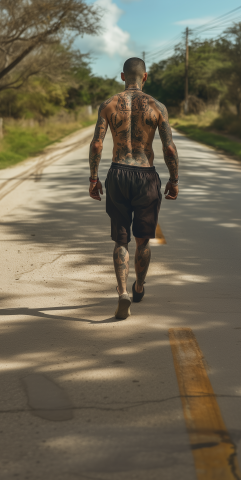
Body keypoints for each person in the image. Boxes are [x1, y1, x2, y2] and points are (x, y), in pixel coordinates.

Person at [88, 57, 179, 320]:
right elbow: (169, 147)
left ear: (122, 76)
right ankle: (139, 286)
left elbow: (96, 145)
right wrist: (174, 179)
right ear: (145, 77)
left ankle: (122, 293)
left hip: (118, 172)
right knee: (143, 239)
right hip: (145, 175)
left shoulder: (109, 105)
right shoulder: (157, 106)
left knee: (121, 239)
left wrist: (94, 178)